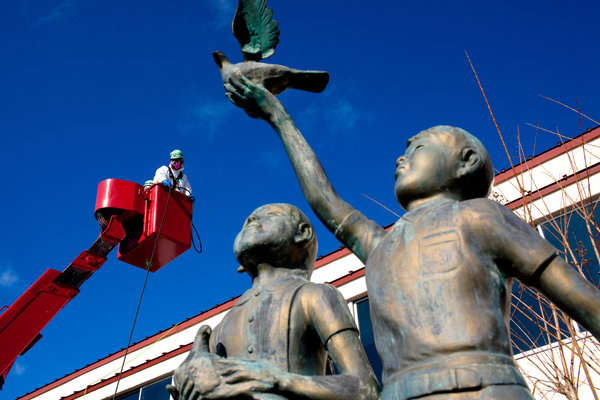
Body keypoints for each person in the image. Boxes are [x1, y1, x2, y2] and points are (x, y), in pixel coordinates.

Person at [222, 73, 600, 400]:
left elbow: (574, 292)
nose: (399, 159)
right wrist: (278, 116)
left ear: (465, 161)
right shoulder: (382, 245)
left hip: (483, 387)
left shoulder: (480, 217)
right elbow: (323, 198)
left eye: (416, 148)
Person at [167, 203, 380, 400]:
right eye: (247, 221)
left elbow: (365, 388)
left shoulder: (315, 296)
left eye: (270, 215)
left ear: (303, 233)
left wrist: (274, 379)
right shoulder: (220, 329)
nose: (251, 220)